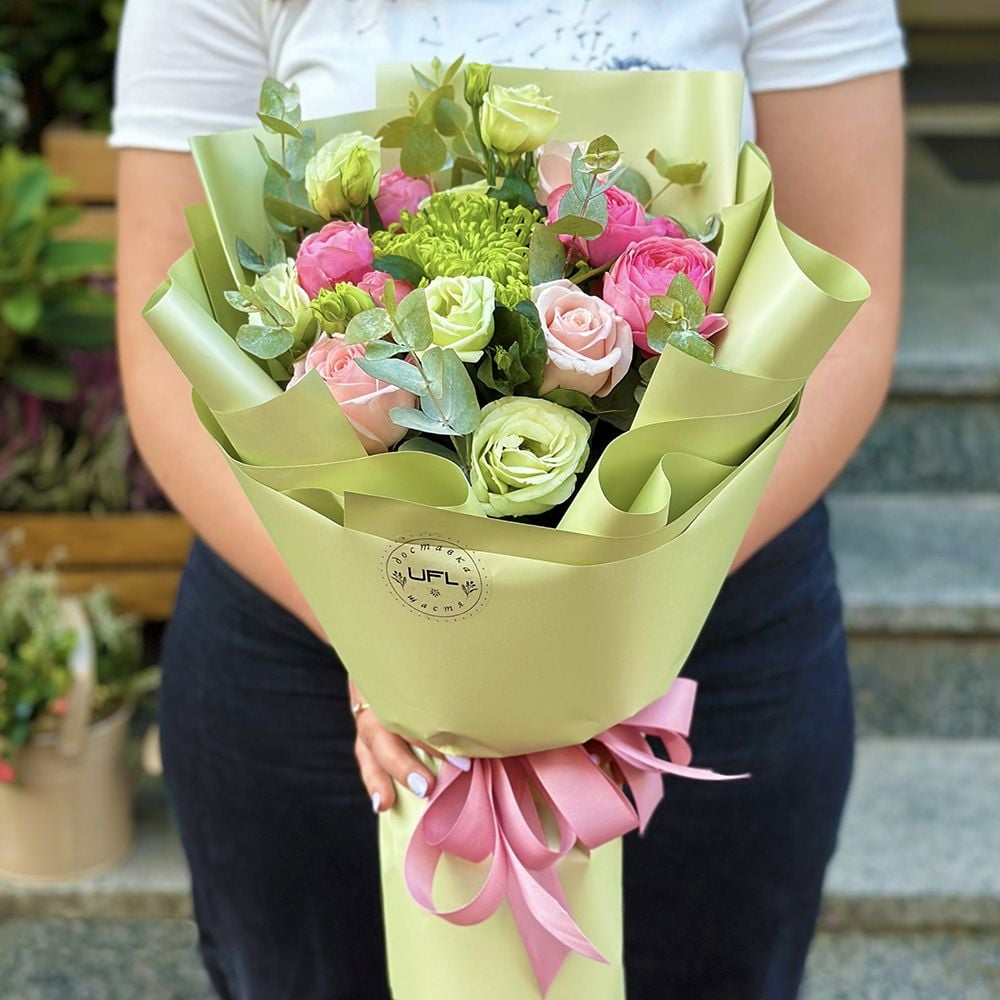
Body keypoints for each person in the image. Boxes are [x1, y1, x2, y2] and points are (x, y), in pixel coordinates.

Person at [111, 2, 905, 997]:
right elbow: (164, 343)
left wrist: (609, 621)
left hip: (701, 618)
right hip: (309, 631)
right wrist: (393, 647)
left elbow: (846, 296)